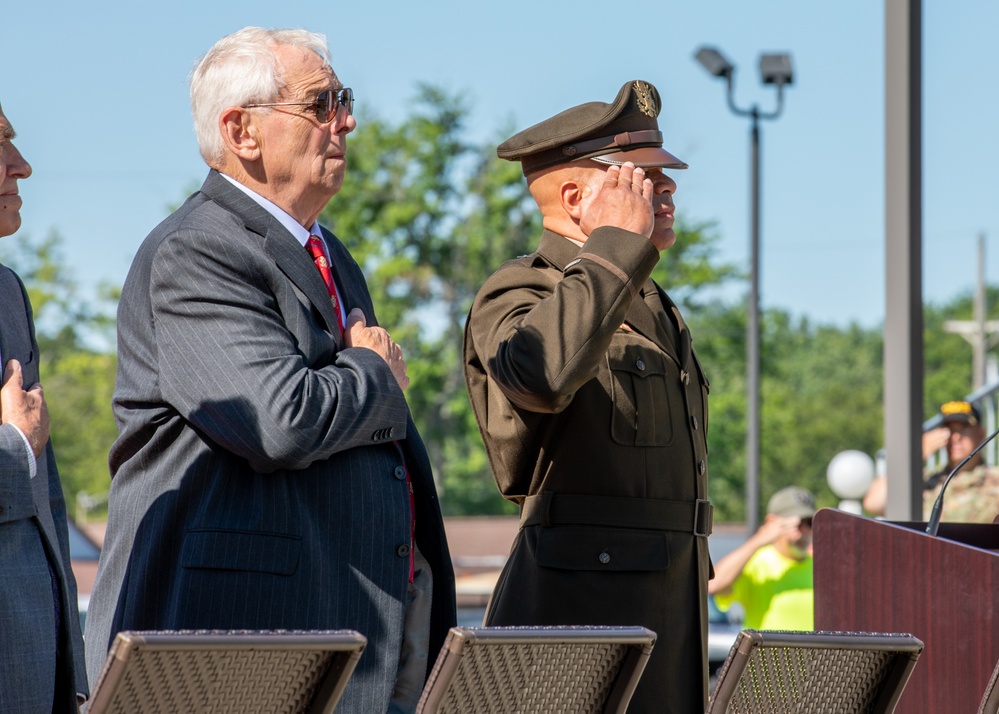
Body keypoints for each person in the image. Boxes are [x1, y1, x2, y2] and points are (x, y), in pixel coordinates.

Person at [83, 28, 455, 713]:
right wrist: (374, 374)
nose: (345, 121)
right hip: (237, 637)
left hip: (343, 625)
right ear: (241, 131)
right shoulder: (196, 251)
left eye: (343, 100)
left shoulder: (327, 252)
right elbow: (279, 420)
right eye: (321, 103)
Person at [463, 80, 711, 713]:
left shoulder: (651, 301)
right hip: (579, 622)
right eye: (643, 181)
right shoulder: (519, 290)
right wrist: (613, 252)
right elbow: (542, 375)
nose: (669, 190)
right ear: (575, 197)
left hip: (667, 615)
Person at [0, 103, 88, 712]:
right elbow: (22, 453)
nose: (23, 166)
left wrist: (70, 668)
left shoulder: (7, 293)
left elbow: (46, 506)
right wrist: (12, 445)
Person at [863, 399, 999, 521]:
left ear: (981, 433)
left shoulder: (995, 480)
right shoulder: (926, 480)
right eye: (949, 430)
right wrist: (916, 455)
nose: (955, 438)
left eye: (964, 429)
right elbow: (874, 503)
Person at [709, 486, 815, 630]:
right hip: (765, 653)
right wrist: (759, 540)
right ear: (772, 521)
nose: (804, 532)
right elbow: (712, 585)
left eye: (810, 523)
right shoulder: (757, 563)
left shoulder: (821, 567)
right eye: (797, 523)